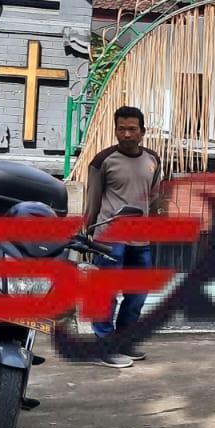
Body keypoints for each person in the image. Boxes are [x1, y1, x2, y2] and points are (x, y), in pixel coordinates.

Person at [83, 105, 164, 369]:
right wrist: (89, 235)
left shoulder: (153, 160)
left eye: (132, 129)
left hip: (140, 238)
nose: (126, 134)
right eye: (121, 129)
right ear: (115, 130)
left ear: (143, 131)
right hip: (109, 237)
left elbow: (154, 198)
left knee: (137, 294)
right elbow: (92, 201)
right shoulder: (103, 160)